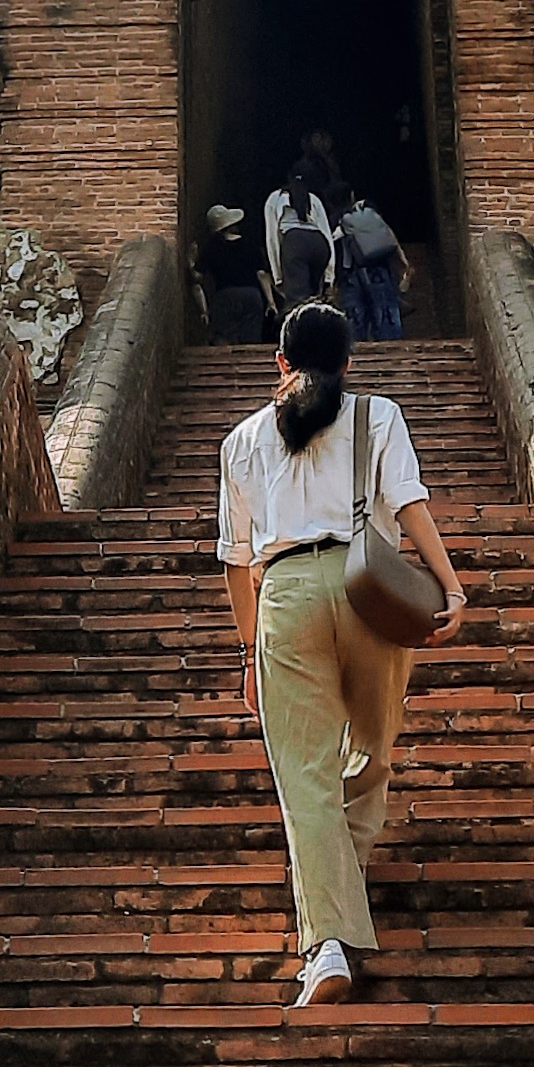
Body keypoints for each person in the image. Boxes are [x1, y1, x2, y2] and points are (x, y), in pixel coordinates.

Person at [217, 300, 466, 1007]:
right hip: (370, 589)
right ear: (349, 363)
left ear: (280, 363)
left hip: (285, 598)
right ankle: (338, 899)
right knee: (372, 751)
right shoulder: (375, 414)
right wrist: (450, 587)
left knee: (304, 777)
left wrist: (247, 653)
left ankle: (326, 939)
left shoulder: (241, 440)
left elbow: (236, 563)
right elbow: (409, 505)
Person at [338, 192, 412, 340]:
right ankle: (390, 343)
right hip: (378, 268)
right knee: (384, 308)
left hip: (350, 273)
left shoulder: (336, 220)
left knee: (356, 314)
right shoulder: (368, 212)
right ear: (351, 196)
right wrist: (402, 259)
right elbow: (388, 235)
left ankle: (357, 346)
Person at [197, 202, 271, 343]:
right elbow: (261, 274)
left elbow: (198, 277)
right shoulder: (250, 244)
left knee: (224, 339)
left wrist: (190, 265)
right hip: (252, 295)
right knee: (251, 340)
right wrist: (271, 302)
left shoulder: (212, 248)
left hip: (225, 296)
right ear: (233, 225)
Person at [263, 167, 336, 308]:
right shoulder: (313, 199)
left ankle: (300, 328)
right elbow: (326, 233)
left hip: (295, 243)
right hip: (319, 243)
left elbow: (272, 238)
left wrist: (278, 277)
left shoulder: (275, 198)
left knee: (298, 303)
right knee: (315, 298)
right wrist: (329, 277)